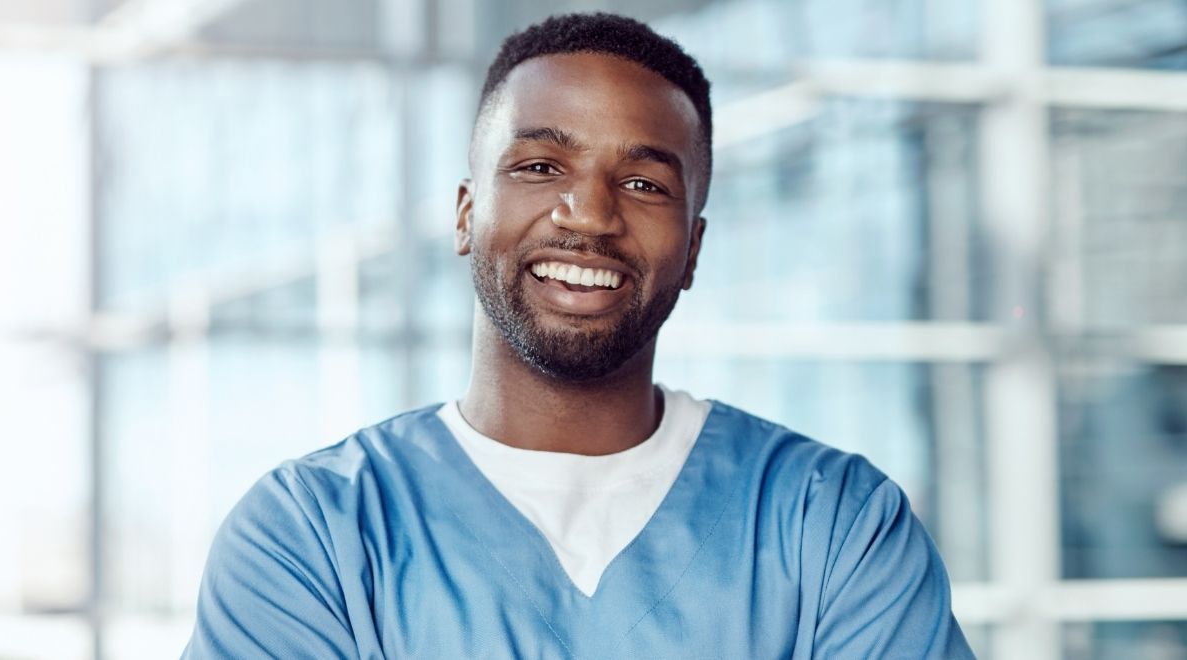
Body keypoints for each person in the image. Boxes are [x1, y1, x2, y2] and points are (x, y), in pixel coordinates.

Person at [182, 12, 974, 659]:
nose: (589, 214)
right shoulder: (311, 533)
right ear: (466, 214)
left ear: (693, 250)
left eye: (643, 183)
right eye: (538, 167)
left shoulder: (831, 524)